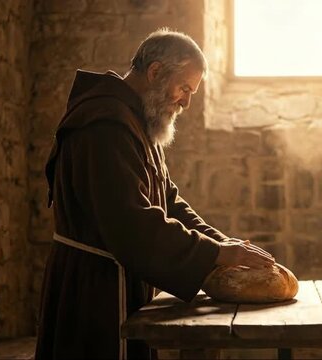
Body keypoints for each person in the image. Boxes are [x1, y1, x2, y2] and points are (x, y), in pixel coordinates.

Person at [35, 28, 275, 360]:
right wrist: (217, 253)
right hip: (94, 290)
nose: (187, 102)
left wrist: (224, 245)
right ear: (156, 72)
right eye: (185, 88)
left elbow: (169, 201)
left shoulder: (135, 121)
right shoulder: (106, 125)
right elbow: (133, 222)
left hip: (118, 281)